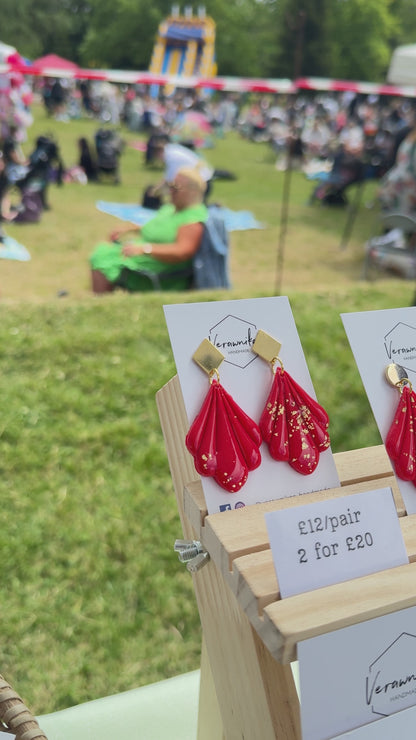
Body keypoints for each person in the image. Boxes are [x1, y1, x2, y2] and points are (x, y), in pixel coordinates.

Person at [90, 166, 208, 293]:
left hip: (163, 270)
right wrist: (131, 229)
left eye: (176, 188)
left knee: (102, 257)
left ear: (193, 192)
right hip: (146, 256)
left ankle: (102, 302)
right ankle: (103, 302)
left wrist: (146, 249)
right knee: (102, 251)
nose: (170, 191)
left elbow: (183, 251)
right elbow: (158, 228)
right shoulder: (171, 209)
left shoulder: (193, 218)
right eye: (170, 186)